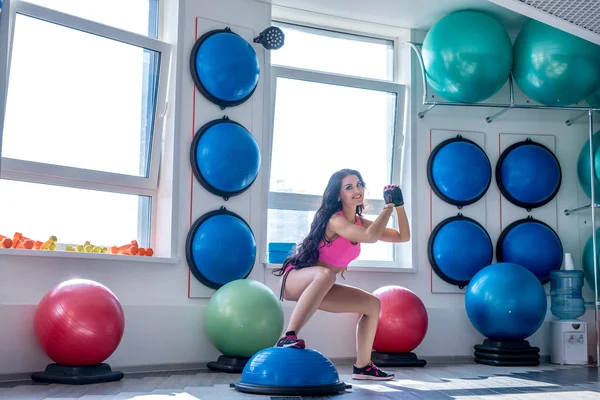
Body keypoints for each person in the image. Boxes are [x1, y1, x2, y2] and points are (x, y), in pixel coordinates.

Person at [272, 168, 410, 381]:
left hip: (322, 284)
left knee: (372, 304)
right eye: (349, 187)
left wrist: (399, 206)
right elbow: (369, 237)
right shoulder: (334, 221)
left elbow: (402, 237)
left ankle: (363, 366)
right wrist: (388, 208)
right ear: (339, 195)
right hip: (296, 279)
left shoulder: (359, 221)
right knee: (327, 275)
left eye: (359, 184)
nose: (356, 190)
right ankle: (288, 336)